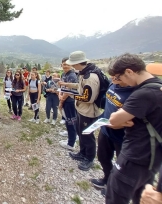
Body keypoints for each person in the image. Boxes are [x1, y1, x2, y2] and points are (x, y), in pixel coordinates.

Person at [106, 53, 162, 204]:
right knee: (140, 197)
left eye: (120, 77)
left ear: (129, 71)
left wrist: (120, 117)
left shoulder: (143, 94)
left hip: (134, 156)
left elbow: (114, 119)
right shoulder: (157, 87)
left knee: (115, 196)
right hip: (151, 159)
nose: (119, 82)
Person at [89, 68, 134, 196]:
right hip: (105, 129)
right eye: (112, 75)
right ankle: (107, 178)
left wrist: (119, 124)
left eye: (117, 76)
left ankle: (116, 188)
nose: (113, 78)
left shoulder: (134, 93)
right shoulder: (112, 84)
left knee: (122, 166)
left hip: (122, 136)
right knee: (103, 157)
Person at [60, 51, 101, 171]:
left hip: (88, 111)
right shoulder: (84, 74)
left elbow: (88, 98)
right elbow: (79, 86)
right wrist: (68, 85)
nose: (72, 66)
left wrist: (73, 96)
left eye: (73, 64)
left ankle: (89, 158)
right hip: (81, 109)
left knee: (87, 135)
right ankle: (82, 153)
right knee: (80, 132)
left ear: (78, 63)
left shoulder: (90, 77)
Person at [58, 57, 78, 151]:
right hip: (64, 99)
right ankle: (70, 133)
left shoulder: (72, 76)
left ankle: (71, 143)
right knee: (67, 119)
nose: (65, 66)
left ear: (71, 65)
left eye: (67, 64)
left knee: (71, 121)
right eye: (64, 64)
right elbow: (62, 87)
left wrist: (62, 100)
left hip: (70, 101)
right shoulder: (63, 74)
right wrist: (60, 95)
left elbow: (69, 90)